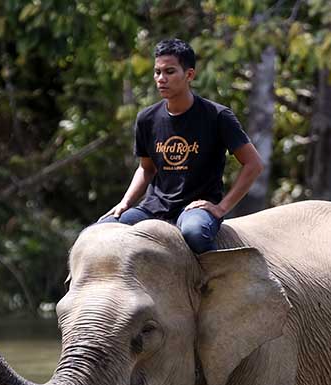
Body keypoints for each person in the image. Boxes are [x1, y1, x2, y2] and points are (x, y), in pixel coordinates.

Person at [98, 38, 264, 253]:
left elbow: (254, 164)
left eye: (169, 72)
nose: (161, 79)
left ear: (189, 75)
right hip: (153, 209)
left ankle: (213, 284)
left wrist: (221, 207)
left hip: (193, 210)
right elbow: (146, 168)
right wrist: (125, 202)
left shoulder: (218, 116)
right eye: (157, 72)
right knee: (98, 232)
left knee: (195, 233)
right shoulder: (147, 118)